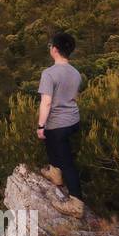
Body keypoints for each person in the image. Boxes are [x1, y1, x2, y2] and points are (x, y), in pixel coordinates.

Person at [37, 31, 84, 217]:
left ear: (55, 50)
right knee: (53, 141)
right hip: (73, 120)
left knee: (68, 163)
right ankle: (54, 172)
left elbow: (46, 102)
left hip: (59, 124)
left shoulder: (49, 73)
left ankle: (76, 203)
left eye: (50, 46)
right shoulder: (76, 73)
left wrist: (41, 126)